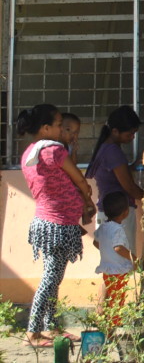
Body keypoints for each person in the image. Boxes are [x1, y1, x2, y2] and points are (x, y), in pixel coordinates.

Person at [20, 105, 96, 348]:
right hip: (58, 225)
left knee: (54, 278)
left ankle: (50, 326)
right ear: (46, 128)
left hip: (47, 221)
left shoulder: (31, 152)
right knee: (51, 278)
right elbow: (79, 180)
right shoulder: (53, 151)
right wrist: (86, 198)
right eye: (59, 124)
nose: (62, 129)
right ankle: (33, 331)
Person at [85, 106, 144, 252]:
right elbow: (129, 186)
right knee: (122, 255)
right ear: (115, 131)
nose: (132, 138)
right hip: (118, 212)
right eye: (130, 134)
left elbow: (114, 173)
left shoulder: (107, 148)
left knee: (110, 256)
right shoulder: (113, 151)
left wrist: (131, 167)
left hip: (108, 210)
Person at [93, 191, 136, 325]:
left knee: (107, 292)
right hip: (118, 268)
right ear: (125, 212)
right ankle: (114, 321)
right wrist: (133, 257)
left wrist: (105, 250)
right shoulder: (118, 229)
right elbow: (118, 247)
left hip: (107, 266)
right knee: (118, 295)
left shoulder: (103, 227)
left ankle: (102, 316)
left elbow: (95, 242)